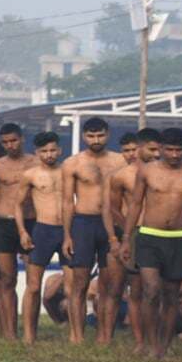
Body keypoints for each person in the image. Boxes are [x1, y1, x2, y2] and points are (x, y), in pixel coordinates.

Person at [122, 127, 182, 359]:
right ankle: (151, 345)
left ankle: (165, 345)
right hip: (149, 236)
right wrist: (125, 239)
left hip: (178, 238)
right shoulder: (146, 171)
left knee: (171, 295)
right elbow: (135, 205)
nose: (173, 155)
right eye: (169, 150)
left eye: (178, 150)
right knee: (151, 290)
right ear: (160, 149)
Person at [61, 116, 127, 345]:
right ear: (83, 136)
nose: (96, 140)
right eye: (91, 136)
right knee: (79, 283)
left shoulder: (121, 161)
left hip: (113, 224)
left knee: (112, 284)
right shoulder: (72, 163)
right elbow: (67, 201)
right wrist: (67, 235)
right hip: (84, 223)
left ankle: (105, 336)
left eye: (100, 135)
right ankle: (76, 335)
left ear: (108, 134)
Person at [108, 126, 161, 353]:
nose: (157, 154)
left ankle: (158, 340)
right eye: (152, 150)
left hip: (160, 232)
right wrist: (126, 233)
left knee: (160, 289)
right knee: (137, 290)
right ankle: (140, 341)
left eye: (159, 150)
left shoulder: (164, 171)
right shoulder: (122, 176)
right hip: (137, 231)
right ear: (140, 148)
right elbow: (112, 207)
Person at [0, 123, 38, 340]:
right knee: (7, 280)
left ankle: (30, 331)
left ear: (22, 139)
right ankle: (9, 332)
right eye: (5, 142)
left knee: (34, 280)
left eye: (13, 140)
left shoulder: (36, 162)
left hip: (32, 222)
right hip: (4, 223)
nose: (10, 145)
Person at [14, 131, 67, 345]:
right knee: (33, 286)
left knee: (74, 287)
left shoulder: (68, 172)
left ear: (60, 150)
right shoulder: (31, 175)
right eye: (44, 151)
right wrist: (22, 232)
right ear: (37, 153)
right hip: (42, 229)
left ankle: (76, 336)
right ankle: (29, 335)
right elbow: (17, 205)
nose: (49, 154)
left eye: (53, 150)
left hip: (66, 230)